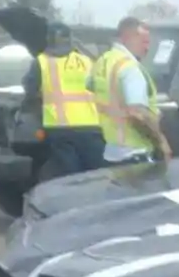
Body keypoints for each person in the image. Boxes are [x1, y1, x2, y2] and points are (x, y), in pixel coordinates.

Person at [92, 16, 170, 166]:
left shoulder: (103, 61)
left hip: (111, 152)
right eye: (144, 42)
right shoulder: (130, 68)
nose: (147, 48)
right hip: (135, 153)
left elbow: (91, 87)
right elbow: (138, 113)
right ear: (128, 38)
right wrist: (161, 142)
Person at [28, 23, 105, 175]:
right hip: (91, 126)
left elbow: (31, 91)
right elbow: (101, 88)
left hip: (60, 128)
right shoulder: (86, 61)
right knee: (97, 177)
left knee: (69, 179)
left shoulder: (41, 62)